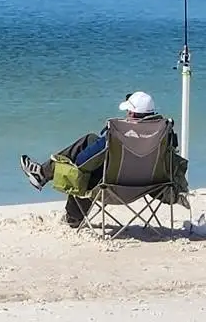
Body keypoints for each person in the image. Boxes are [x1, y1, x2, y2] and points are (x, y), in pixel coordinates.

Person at [19, 90, 173, 227]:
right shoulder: (163, 134)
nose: (126, 114)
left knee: (83, 171)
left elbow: (82, 161)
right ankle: (42, 173)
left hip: (114, 188)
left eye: (127, 111)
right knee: (90, 139)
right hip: (147, 187)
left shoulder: (119, 134)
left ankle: (73, 216)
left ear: (132, 114)